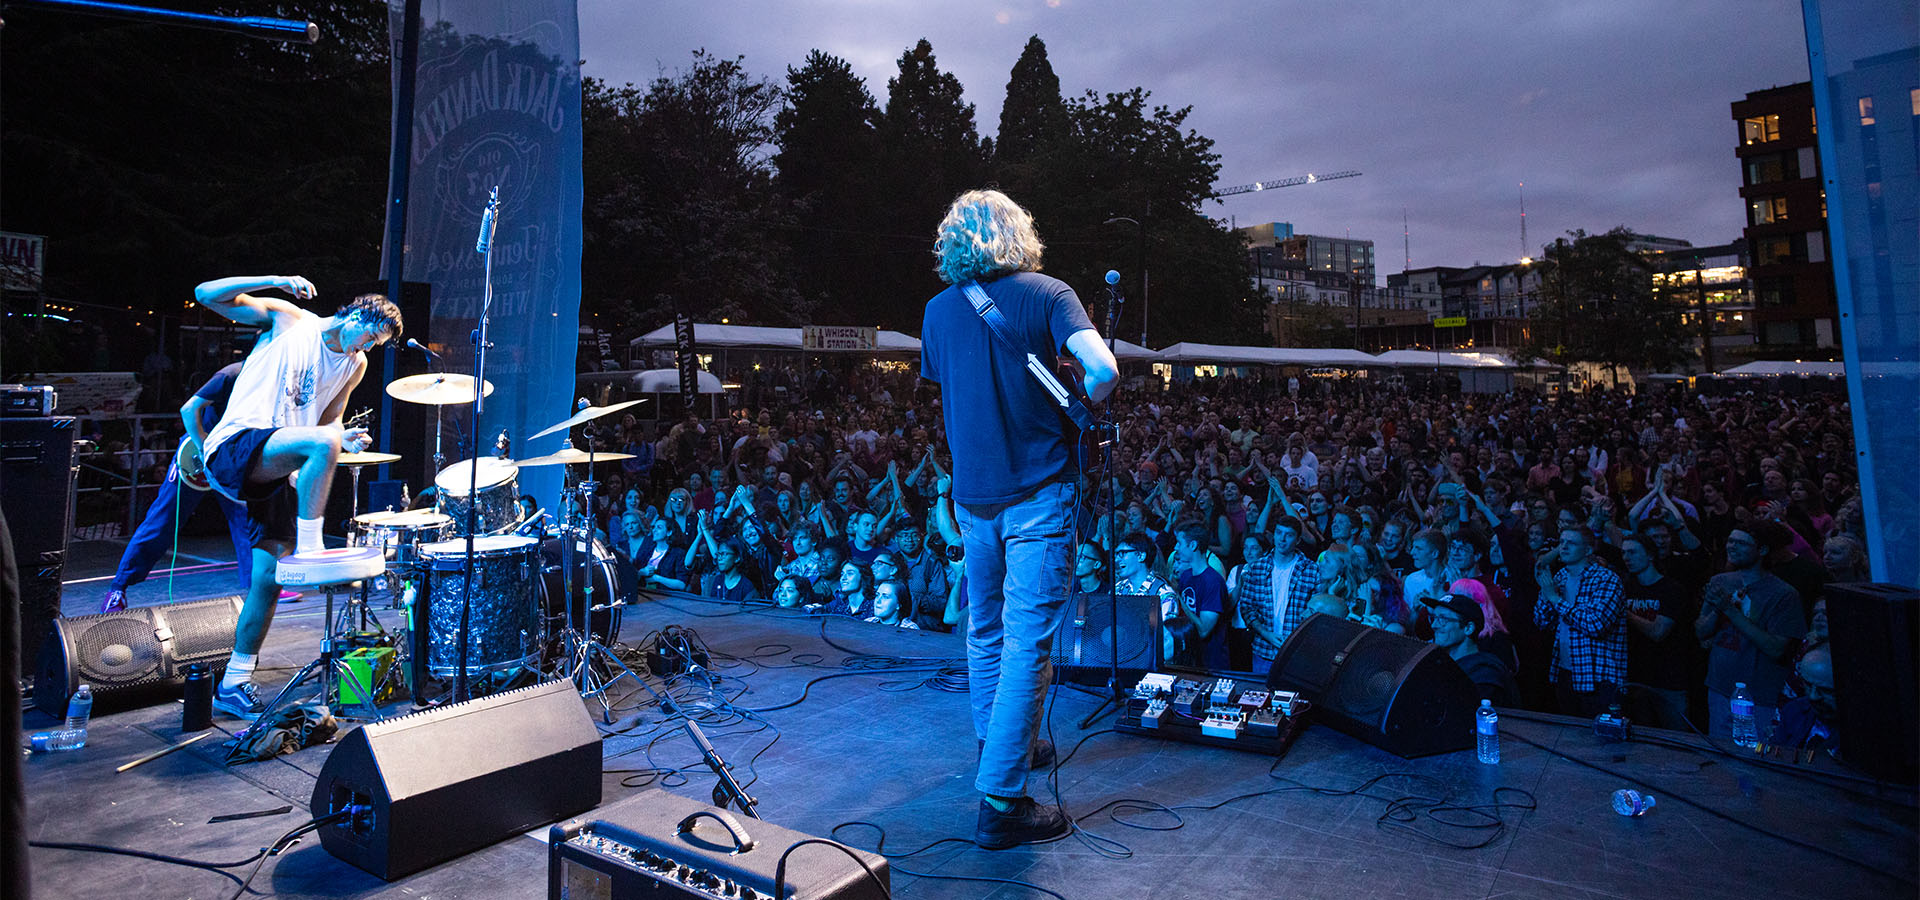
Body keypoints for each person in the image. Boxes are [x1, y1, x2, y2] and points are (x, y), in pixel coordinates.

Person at [918, 188, 1118, 850]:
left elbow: (959, 394)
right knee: (1028, 641)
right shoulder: (1047, 293)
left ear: (954, 239)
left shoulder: (936, 311)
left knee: (985, 629)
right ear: (1017, 232)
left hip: (972, 498)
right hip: (1037, 494)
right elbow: (1104, 367)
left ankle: (1000, 745)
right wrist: (1082, 399)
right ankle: (1001, 803)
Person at [192, 276, 400, 719]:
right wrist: (274, 282)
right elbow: (206, 294)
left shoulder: (354, 364)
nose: (366, 348)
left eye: (376, 345)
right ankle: (311, 546)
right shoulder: (290, 321)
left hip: (276, 468)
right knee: (322, 444)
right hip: (236, 445)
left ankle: (234, 681)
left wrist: (347, 439)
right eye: (369, 336)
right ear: (355, 316)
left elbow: (330, 421)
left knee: (267, 581)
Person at [100, 363, 254, 612]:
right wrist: (202, 447)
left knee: (247, 521)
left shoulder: (272, 378)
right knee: (162, 520)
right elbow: (188, 409)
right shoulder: (231, 374)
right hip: (196, 453)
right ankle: (119, 588)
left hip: (232, 456)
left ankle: (260, 587)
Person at [1696, 527, 1806, 744]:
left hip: (1760, 694)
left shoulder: (1783, 594)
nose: (1732, 546)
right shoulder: (1721, 581)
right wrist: (1719, 609)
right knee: (1722, 753)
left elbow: (1775, 648)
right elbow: (1700, 631)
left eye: (1741, 543)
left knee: (1757, 756)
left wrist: (1729, 610)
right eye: (1730, 541)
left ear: (1762, 549)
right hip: (1720, 687)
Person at [1532, 524, 1627, 718]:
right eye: (1562, 542)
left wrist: (1556, 599)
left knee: (1602, 741)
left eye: (1571, 543)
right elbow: (1541, 622)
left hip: (1598, 676)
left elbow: (1596, 625)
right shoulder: (1560, 576)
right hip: (1565, 671)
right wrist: (1545, 594)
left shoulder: (1607, 579)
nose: (1563, 547)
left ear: (1588, 549)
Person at [1618, 533, 1693, 730]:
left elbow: (1659, 631)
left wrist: (1624, 612)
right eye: (1624, 553)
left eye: (1632, 552)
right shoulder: (1625, 587)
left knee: (1676, 740)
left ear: (1650, 555)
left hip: (1668, 678)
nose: (1626, 558)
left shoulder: (1671, 589)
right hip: (1636, 676)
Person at [1231, 516, 1319, 675]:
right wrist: (1266, 634)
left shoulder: (1311, 570)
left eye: (1289, 535)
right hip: (1263, 650)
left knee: (1293, 698)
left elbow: (1315, 614)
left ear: (1298, 540)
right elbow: (1246, 607)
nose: (1282, 539)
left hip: (1297, 652)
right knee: (1260, 697)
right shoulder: (1257, 568)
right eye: (1279, 533)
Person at [1430, 593, 1519, 707]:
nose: (1433, 625)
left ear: (1468, 628)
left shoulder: (1485, 674)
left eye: (1443, 619)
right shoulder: (1443, 665)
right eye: (1433, 618)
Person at [1171, 523, 1229, 669]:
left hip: (1210, 662)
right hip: (1190, 658)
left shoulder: (1213, 581)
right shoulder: (1186, 576)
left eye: (1179, 543)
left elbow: (1204, 630)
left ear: (1193, 546)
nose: (1176, 548)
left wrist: (1178, 597)